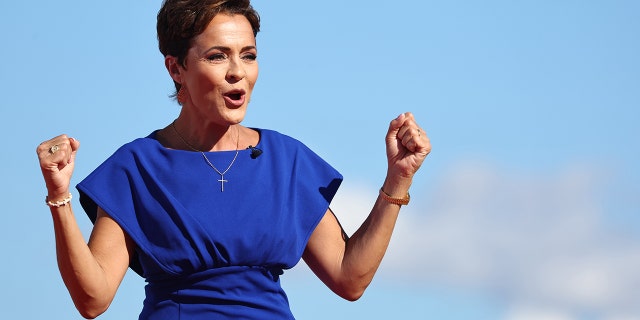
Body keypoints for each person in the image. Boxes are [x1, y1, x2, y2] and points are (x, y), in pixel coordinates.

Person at [35, 0, 431, 319]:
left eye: (249, 55)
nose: (237, 72)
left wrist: (398, 179)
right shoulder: (137, 168)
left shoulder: (286, 160)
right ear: (177, 68)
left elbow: (350, 278)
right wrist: (59, 195)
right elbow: (93, 300)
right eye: (217, 56)